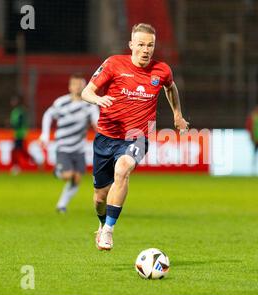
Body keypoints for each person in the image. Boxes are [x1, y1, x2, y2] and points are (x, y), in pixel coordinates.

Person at [81, 23, 189, 251]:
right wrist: (98, 100)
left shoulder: (162, 70)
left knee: (123, 169)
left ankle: (109, 230)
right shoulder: (113, 64)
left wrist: (177, 115)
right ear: (131, 45)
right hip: (106, 137)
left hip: (137, 137)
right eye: (140, 44)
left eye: (150, 45)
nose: (146, 50)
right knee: (100, 197)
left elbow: (171, 88)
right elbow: (86, 91)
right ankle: (102, 224)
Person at [39, 74, 99, 213]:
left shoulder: (89, 104)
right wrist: (45, 134)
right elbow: (48, 115)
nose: (77, 87)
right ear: (70, 86)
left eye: (80, 84)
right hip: (63, 146)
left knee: (76, 179)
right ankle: (58, 172)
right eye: (75, 84)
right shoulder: (61, 102)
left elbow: (96, 122)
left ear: (85, 86)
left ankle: (61, 205)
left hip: (79, 148)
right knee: (68, 175)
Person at [9, 94, 37, 175]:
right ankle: (33, 161)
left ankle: (16, 167)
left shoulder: (20, 111)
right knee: (19, 150)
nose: (12, 102)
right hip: (17, 134)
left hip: (20, 134)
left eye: (14, 101)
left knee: (17, 150)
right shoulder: (16, 111)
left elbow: (19, 123)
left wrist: (12, 124)